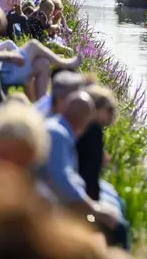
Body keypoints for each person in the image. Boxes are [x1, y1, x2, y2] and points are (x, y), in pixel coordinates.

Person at [39, 92, 117, 229]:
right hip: (57, 208)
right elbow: (61, 180)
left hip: (62, 200)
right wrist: (93, 209)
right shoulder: (59, 135)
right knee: (117, 226)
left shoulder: (60, 129)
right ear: (85, 120)